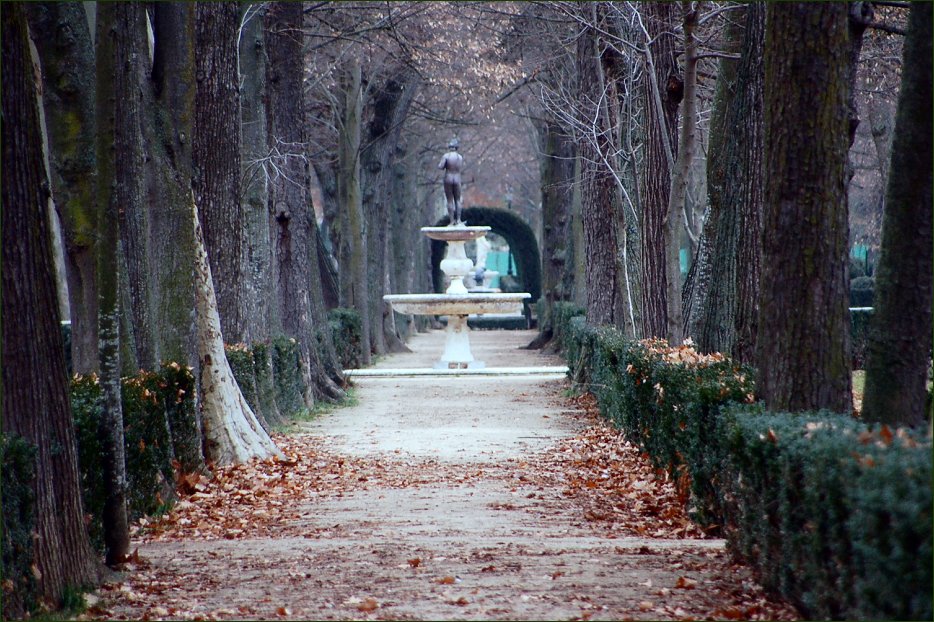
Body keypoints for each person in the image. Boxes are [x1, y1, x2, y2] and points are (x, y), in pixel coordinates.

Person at [438, 138, 464, 225]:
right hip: (457, 178)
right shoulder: (460, 157)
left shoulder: (446, 156)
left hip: (448, 178)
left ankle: (452, 221)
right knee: (458, 199)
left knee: (449, 200)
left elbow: (440, 167)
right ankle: (459, 219)